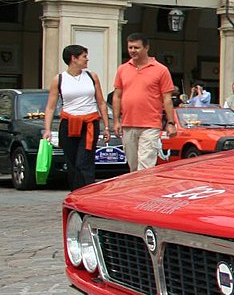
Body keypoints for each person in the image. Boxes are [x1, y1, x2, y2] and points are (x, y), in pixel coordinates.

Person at [41, 44, 111, 190]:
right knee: (72, 163)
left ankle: (88, 194)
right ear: (73, 58)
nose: (87, 59)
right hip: (68, 123)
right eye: (84, 56)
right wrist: (47, 129)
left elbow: (101, 103)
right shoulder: (59, 79)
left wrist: (106, 127)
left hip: (89, 123)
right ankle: (76, 194)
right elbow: (50, 106)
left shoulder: (92, 77)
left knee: (83, 161)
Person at [112, 33, 177, 171]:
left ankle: (142, 191)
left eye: (136, 47)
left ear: (146, 48)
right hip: (128, 124)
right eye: (130, 47)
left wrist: (171, 123)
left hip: (150, 125)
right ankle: (135, 191)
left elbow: (167, 99)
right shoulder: (122, 69)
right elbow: (117, 96)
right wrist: (116, 120)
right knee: (133, 166)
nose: (132, 51)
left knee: (145, 166)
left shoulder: (161, 70)